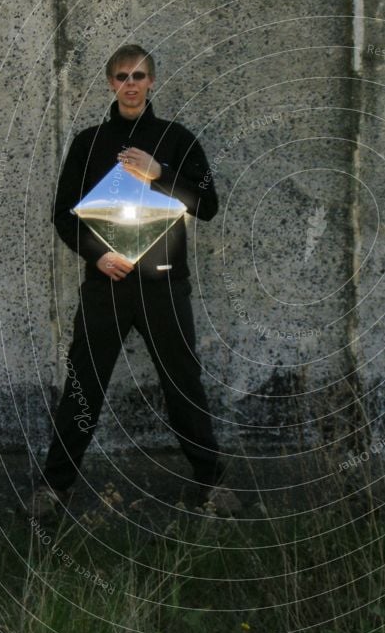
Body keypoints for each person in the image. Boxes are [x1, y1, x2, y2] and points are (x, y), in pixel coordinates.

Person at [25, 44, 238, 519]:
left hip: (164, 286)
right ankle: (52, 490)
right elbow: (63, 215)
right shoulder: (88, 142)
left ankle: (212, 484)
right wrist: (98, 257)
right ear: (110, 83)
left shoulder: (176, 139)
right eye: (122, 76)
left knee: (183, 385)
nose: (131, 84)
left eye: (139, 76)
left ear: (152, 82)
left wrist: (158, 172)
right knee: (83, 385)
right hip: (107, 286)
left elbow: (207, 205)